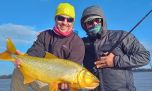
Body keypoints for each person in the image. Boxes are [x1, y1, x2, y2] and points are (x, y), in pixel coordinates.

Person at [11, 3, 85, 91]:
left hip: (62, 86)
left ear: (73, 22)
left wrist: (65, 85)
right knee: (19, 71)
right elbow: (35, 52)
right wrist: (23, 59)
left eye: (69, 19)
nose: (65, 23)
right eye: (61, 18)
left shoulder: (77, 42)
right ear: (55, 19)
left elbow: (74, 69)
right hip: (44, 79)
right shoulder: (45, 35)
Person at [81, 5, 150, 91]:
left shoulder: (121, 36)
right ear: (85, 26)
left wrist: (115, 61)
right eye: (89, 22)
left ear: (103, 21)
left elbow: (145, 57)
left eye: (97, 20)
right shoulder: (81, 43)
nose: (94, 23)